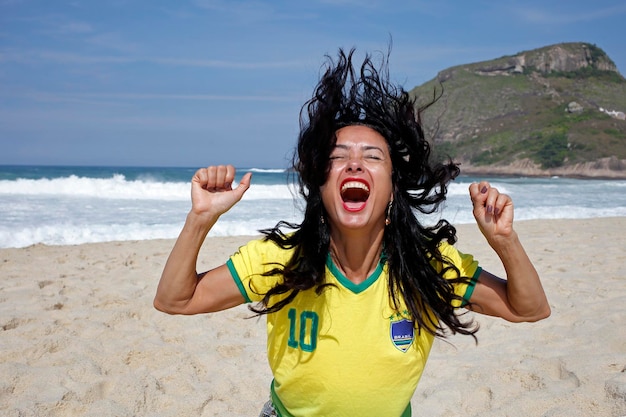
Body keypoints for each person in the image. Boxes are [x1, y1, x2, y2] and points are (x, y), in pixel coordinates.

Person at [154, 47, 550, 417]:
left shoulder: (427, 266)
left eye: (372, 157)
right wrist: (200, 219)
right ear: (320, 187)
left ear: (393, 187)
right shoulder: (280, 258)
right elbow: (175, 300)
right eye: (338, 157)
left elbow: (529, 309)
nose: (355, 165)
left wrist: (504, 241)